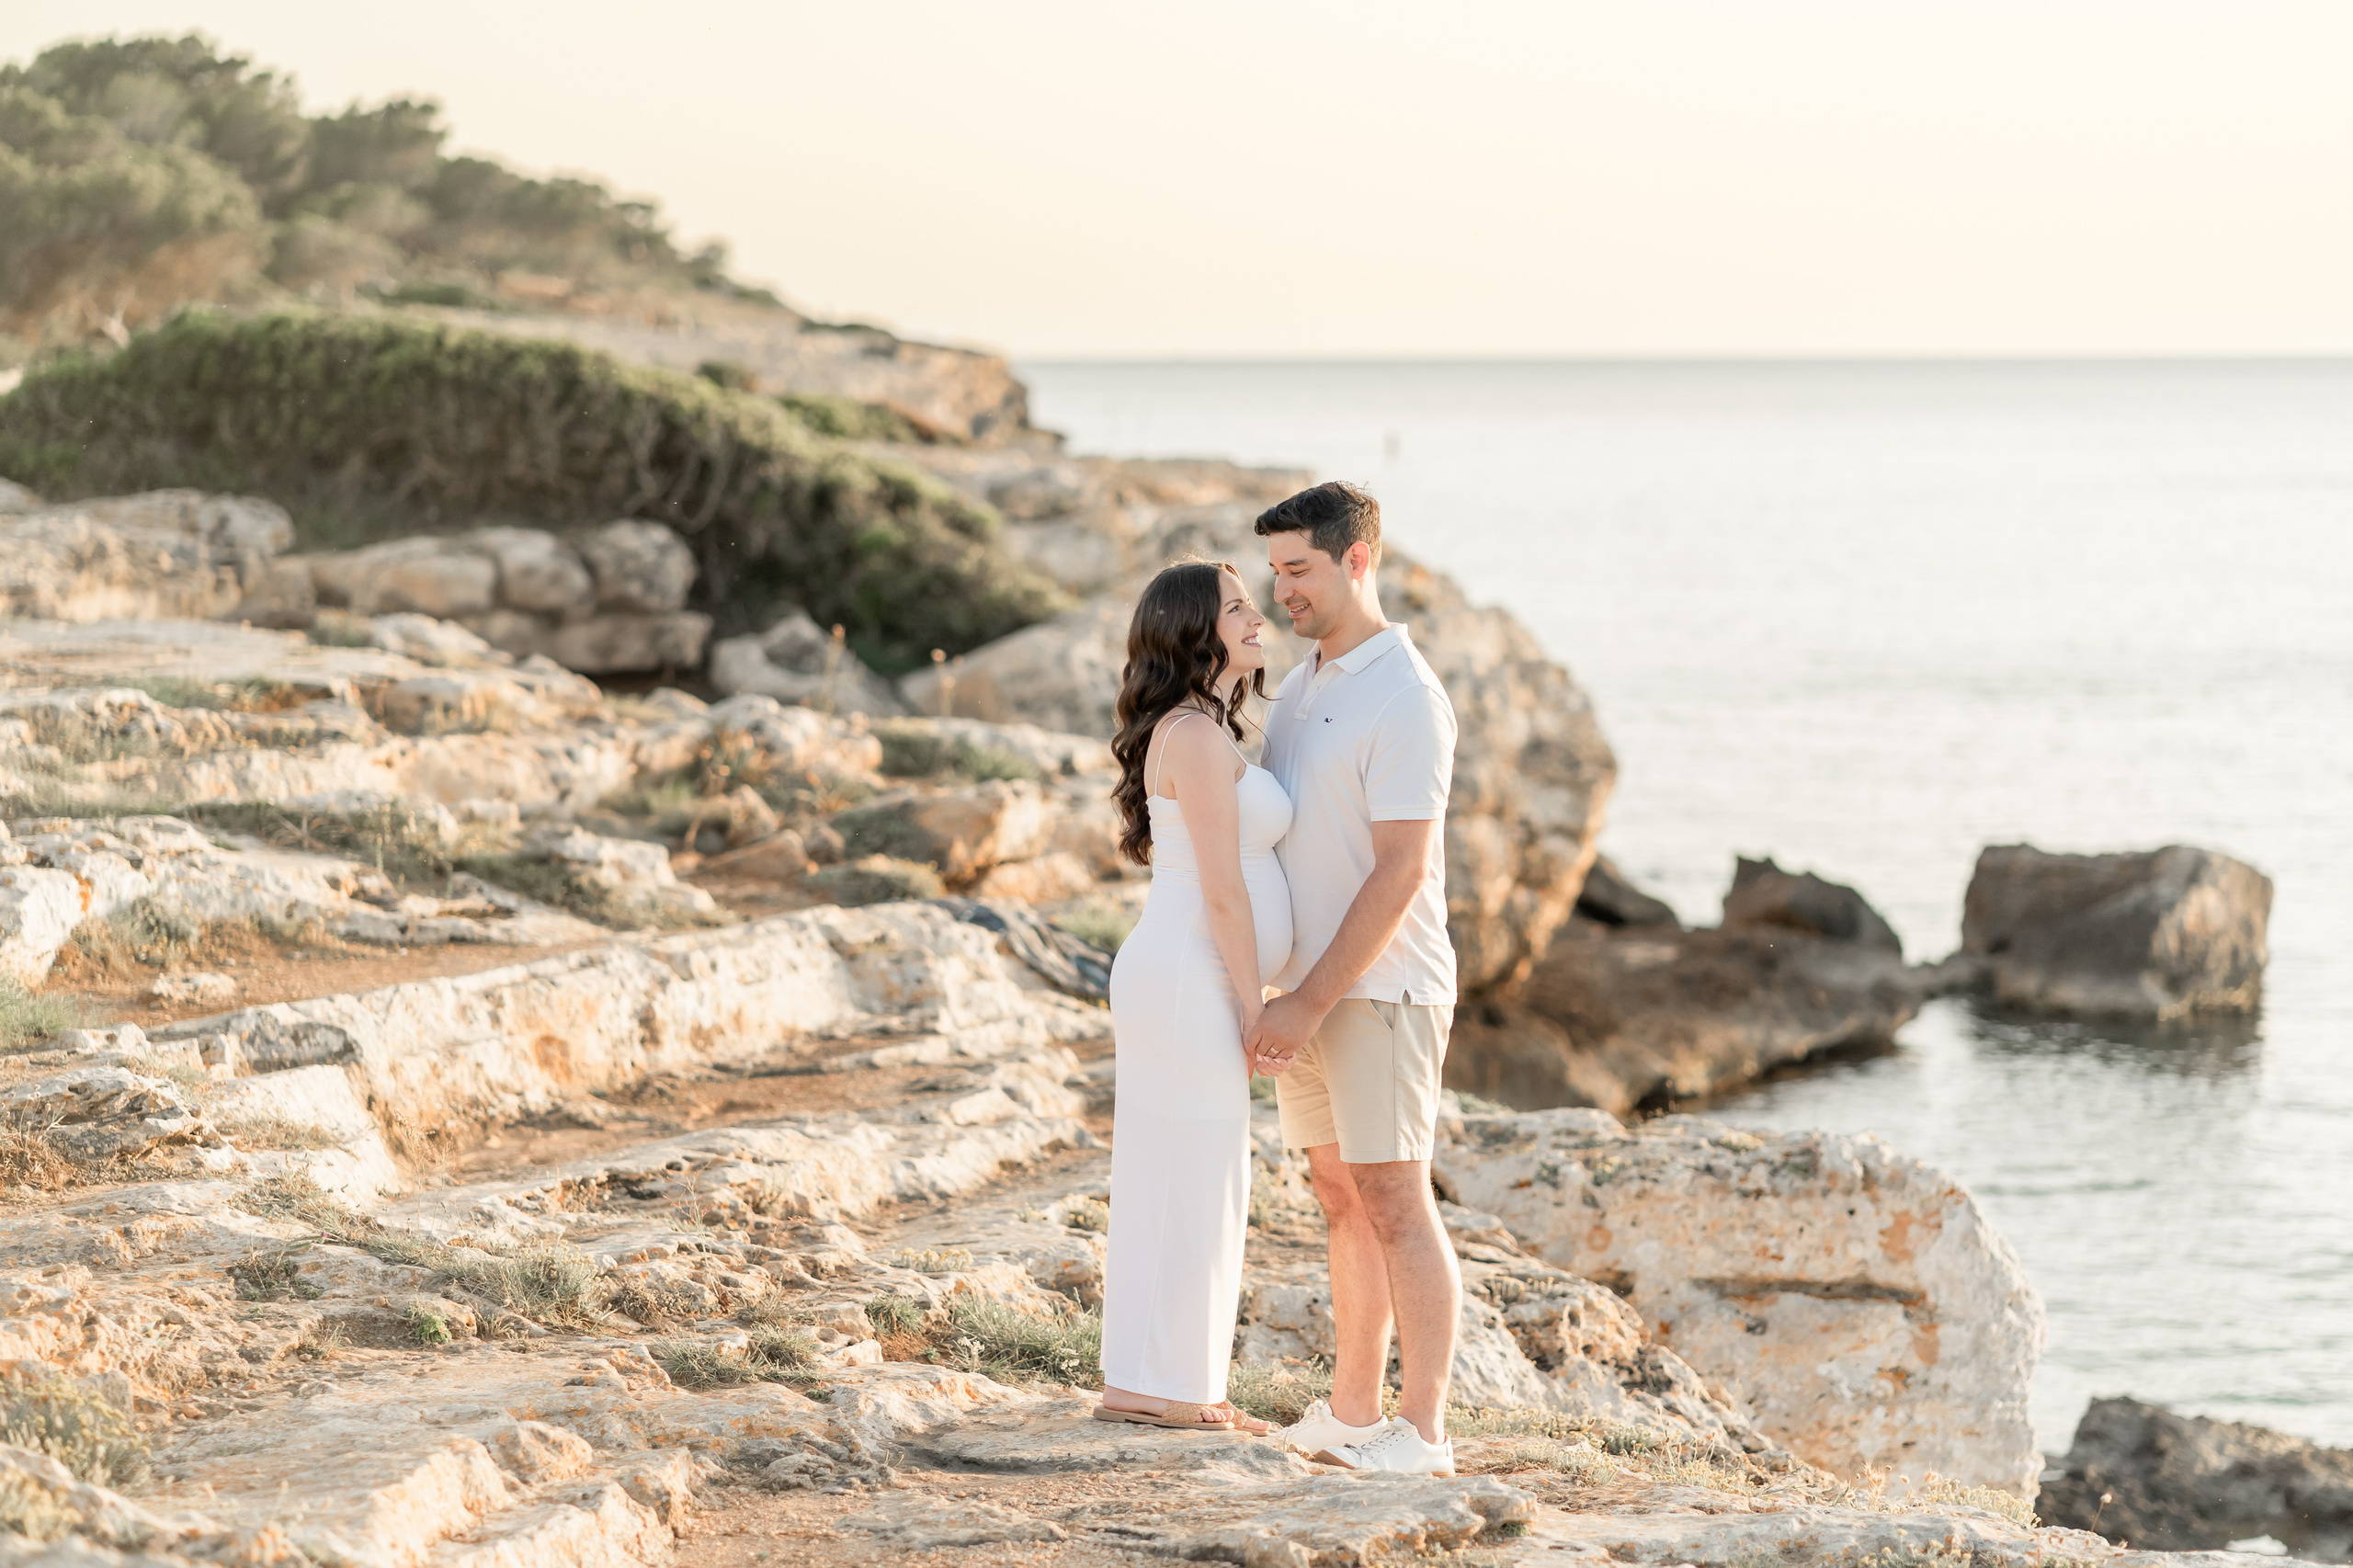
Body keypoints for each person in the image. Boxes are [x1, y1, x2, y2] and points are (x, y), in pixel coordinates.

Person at [1245, 482, 1462, 1476]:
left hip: (1382, 987)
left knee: (1392, 1195)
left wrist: (1305, 999)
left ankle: (1421, 1434)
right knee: (1338, 1193)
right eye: (1275, 569)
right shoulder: (1301, 686)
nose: (1280, 588)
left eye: (1298, 569)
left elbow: (1401, 870)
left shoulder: (1404, 693)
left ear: (1356, 561)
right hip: (1309, 986)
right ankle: (1349, 1410)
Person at [1094, 560, 1291, 1435]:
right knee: (1200, 1176)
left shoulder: (1200, 728)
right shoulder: (1202, 741)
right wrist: (1256, 1009)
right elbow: (1223, 893)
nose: (1259, 616)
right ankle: (1183, 1389)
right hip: (1191, 977)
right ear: (1194, 632)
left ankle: (1146, 1379)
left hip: (1177, 973)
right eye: (1238, 607)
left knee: (1163, 1173)